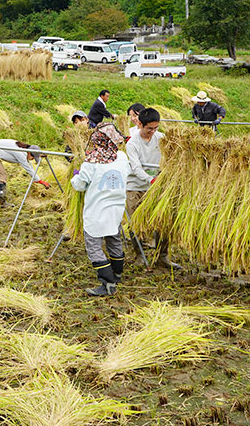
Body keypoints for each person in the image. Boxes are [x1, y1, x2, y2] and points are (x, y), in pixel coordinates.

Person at [71, 123, 130, 297]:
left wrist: (76, 176)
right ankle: (117, 274)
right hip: (116, 208)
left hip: (97, 210)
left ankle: (108, 284)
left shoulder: (92, 161)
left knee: (94, 246)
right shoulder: (122, 157)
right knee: (114, 238)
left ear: (97, 140)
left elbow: (80, 186)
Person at [125, 107, 180, 270]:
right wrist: (151, 179)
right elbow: (135, 168)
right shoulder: (133, 143)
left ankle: (162, 256)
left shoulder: (161, 139)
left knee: (163, 221)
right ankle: (139, 255)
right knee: (136, 223)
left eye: (156, 128)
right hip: (136, 186)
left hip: (156, 186)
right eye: (150, 128)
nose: (153, 131)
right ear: (141, 124)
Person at [0, 138, 50, 202]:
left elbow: (29, 161)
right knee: (1, 176)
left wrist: (38, 155)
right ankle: (1, 201)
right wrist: (39, 180)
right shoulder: (20, 153)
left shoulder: (24, 148)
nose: (33, 159)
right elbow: (28, 168)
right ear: (29, 152)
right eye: (33, 157)